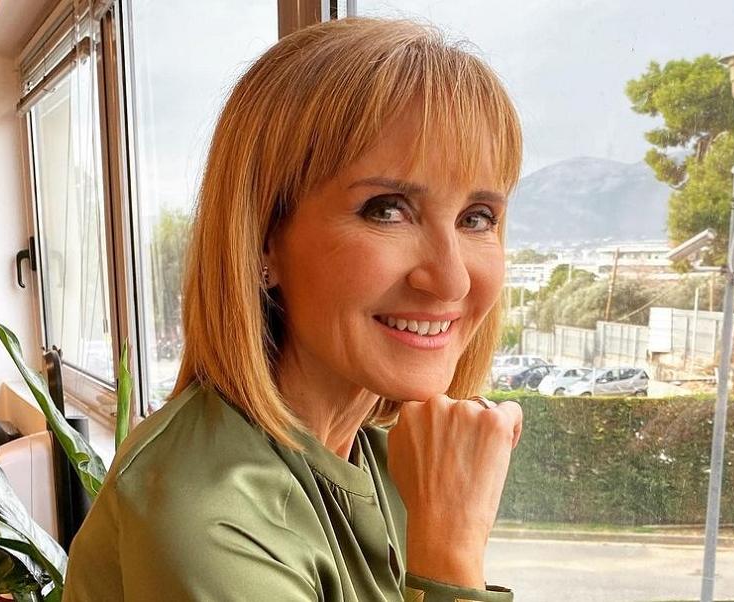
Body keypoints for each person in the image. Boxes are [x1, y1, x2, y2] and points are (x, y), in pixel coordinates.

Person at [65, 17, 524, 602]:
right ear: (263, 242)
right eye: (387, 209)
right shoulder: (209, 518)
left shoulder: (382, 452)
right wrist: (451, 550)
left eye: (476, 218)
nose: (452, 279)